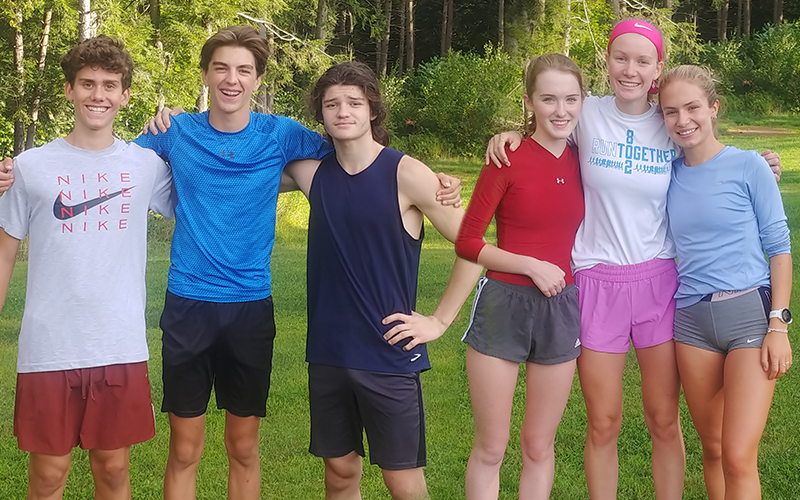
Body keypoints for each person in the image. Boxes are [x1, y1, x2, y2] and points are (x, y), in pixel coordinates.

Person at [133, 28, 460, 500]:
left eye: (243, 69)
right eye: (220, 68)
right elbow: (106, 165)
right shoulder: (176, 133)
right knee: (184, 450)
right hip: (188, 304)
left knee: (243, 447)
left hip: (250, 309)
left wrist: (433, 179)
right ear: (205, 74)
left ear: (257, 78)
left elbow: (359, 152)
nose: (231, 79)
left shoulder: (281, 134)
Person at [484, 19, 782, 500]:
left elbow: (711, 157)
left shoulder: (668, 120)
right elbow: (547, 124)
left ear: (657, 68)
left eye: (642, 60)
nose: (630, 69)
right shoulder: (587, 114)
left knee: (664, 418)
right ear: (606, 62)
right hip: (597, 281)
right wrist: (509, 135)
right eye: (620, 57)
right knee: (603, 422)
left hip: (660, 283)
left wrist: (761, 165)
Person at [275, 61, 482, 500]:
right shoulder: (311, 174)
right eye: (331, 104)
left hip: (389, 353)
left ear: (372, 109)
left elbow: (474, 245)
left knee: (402, 481)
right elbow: (234, 166)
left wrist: (439, 321)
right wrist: (181, 127)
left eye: (354, 102)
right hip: (329, 352)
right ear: (321, 114)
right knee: (340, 473)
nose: (343, 111)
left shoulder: (406, 173)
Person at [0, 35, 174, 500]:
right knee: (49, 474)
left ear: (125, 95)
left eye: (110, 85)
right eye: (88, 84)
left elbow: (215, 191)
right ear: (69, 90)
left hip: (118, 341)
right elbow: (5, 252)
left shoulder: (147, 165)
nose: (99, 95)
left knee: (113, 469)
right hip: (49, 344)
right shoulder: (29, 167)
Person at [451, 53, 585, 500]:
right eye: (548, 99)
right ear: (530, 102)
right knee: (492, 447)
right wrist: (529, 265)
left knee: (539, 444)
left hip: (561, 308)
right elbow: (468, 241)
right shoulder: (506, 157)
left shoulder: (587, 159)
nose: (560, 110)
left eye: (570, 99)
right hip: (504, 304)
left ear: (583, 101)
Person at [659, 65, 792, 500]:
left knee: (737, 455)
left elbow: (780, 247)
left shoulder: (749, 165)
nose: (683, 120)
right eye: (671, 111)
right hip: (691, 321)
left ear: (714, 108)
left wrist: (779, 324)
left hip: (749, 317)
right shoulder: (667, 176)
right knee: (712, 449)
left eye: (693, 107)